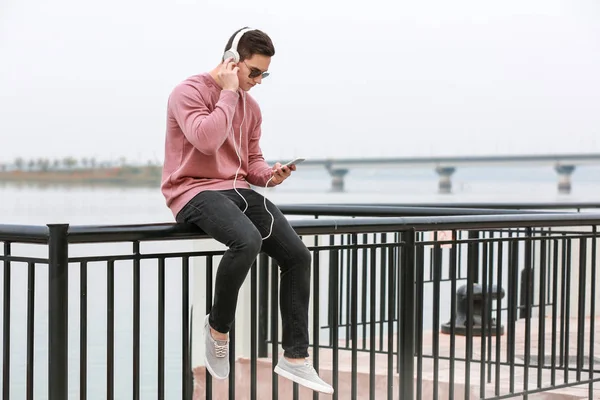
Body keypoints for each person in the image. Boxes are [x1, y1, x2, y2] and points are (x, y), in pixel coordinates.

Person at [160, 27, 334, 394]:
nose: (257, 81)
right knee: (247, 240)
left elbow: (251, 162)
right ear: (231, 61)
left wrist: (271, 175)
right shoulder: (188, 92)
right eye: (253, 72)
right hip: (191, 190)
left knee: (298, 255)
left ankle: (296, 357)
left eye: (263, 75)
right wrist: (226, 92)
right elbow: (206, 141)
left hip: (236, 191)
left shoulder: (250, 107)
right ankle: (217, 328)